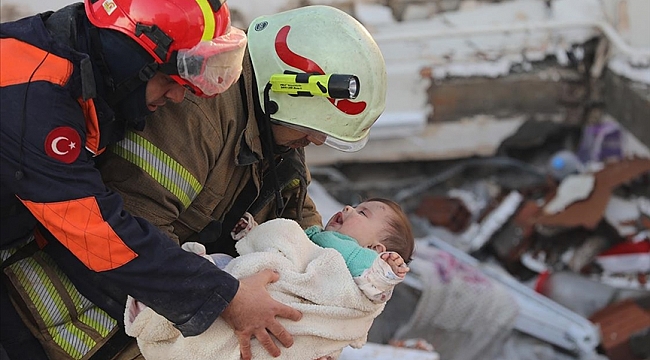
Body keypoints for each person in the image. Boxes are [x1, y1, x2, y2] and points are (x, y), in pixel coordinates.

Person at [97, 5, 388, 359]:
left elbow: (298, 223)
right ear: (286, 89)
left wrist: (327, 312)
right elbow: (132, 228)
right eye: (313, 131)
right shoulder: (199, 114)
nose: (315, 142)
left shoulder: (275, 131)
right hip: (85, 327)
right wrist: (228, 298)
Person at [0, 1, 283, 359]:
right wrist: (225, 297)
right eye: (167, 79)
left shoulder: (79, 63)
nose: (178, 96)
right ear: (128, 57)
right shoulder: (36, 98)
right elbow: (94, 230)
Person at [124, 198, 415, 359]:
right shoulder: (315, 238)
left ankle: (164, 312)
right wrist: (254, 233)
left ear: (375, 249)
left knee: (224, 278)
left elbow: (374, 288)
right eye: (355, 204)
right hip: (268, 284)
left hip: (291, 306)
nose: (349, 208)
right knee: (226, 269)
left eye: (362, 212)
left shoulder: (357, 258)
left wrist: (385, 270)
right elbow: (282, 242)